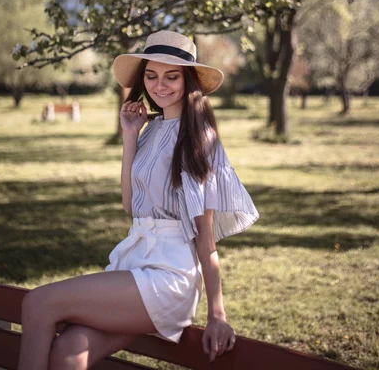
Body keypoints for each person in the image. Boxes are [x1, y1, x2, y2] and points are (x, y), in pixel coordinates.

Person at [18, 30, 259, 370]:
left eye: (171, 77)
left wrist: (217, 314)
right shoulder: (152, 129)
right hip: (137, 262)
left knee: (38, 303)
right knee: (70, 350)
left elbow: (205, 236)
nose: (160, 86)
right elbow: (131, 207)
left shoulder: (197, 137)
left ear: (189, 80)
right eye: (151, 76)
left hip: (168, 275)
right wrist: (130, 136)